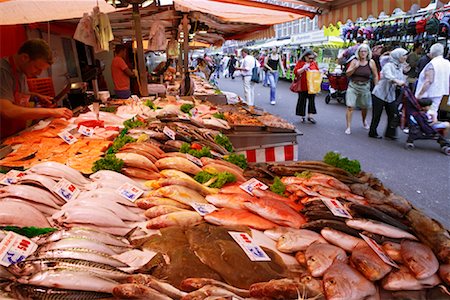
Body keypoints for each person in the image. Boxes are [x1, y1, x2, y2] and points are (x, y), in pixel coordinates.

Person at [0, 39, 72, 139]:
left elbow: (16, 93)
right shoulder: (3, 71)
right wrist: (51, 112)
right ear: (25, 57)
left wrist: (38, 96)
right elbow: (7, 110)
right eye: (37, 68)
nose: (38, 73)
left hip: (15, 132)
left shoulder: (21, 71)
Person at [369, 48, 409, 139]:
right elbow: (387, 75)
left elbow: (402, 79)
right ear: (397, 56)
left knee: (393, 113)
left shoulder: (400, 66)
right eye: (404, 55)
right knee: (377, 114)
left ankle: (390, 133)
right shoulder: (388, 65)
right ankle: (372, 132)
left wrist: (403, 79)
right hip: (380, 93)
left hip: (390, 95)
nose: (405, 57)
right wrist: (396, 81)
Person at [344, 44, 379, 135]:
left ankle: (364, 121)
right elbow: (347, 74)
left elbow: (375, 75)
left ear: (368, 53)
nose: (363, 53)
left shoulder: (371, 62)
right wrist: (355, 67)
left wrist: (376, 87)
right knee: (350, 106)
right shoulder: (354, 61)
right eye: (361, 51)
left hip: (365, 86)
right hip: (353, 86)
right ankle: (348, 126)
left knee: (364, 106)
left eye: (365, 51)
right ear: (358, 52)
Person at [415, 43, 450, 123]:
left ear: (432, 52)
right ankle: (431, 129)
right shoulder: (447, 63)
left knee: (423, 113)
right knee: (434, 112)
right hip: (440, 92)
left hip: (428, 93)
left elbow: (428, 81)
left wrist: (420, 94)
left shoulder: (432, 64)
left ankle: (423, 129)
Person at [293, 49, 319, 124]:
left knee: (311, 101)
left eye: (312, 58)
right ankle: (302, 116)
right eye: (309, 58)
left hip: (311, 85)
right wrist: (304, 68)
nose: (311, 60)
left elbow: (317, 71)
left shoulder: (313, 63)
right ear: (305, 57)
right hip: (302, 85)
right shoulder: (300, 63)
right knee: (302, 100)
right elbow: (296, 72)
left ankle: (310, 116)